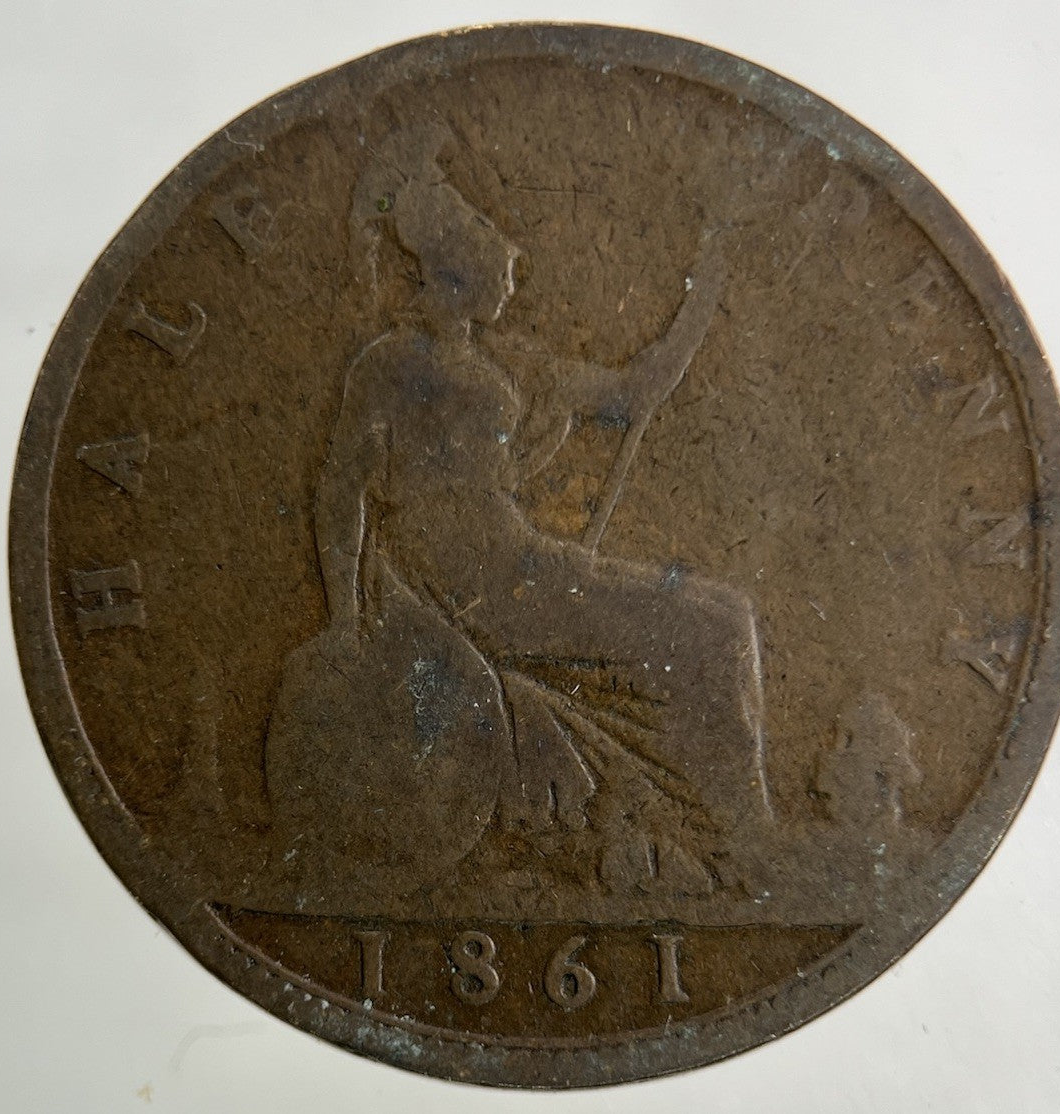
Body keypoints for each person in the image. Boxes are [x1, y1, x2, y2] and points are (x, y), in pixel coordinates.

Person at [268, 122, 771, 889]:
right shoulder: (391, 365)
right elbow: (341, 489)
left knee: (722, 619)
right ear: (460, 273)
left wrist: (710, 268)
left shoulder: (513, 367)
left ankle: (733, 839)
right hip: (468, 579)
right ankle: (741, 849)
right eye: (503, 267)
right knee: (714, 628)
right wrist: (344, 618)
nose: (514, 278)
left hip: (517, 561)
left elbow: (637, 392)